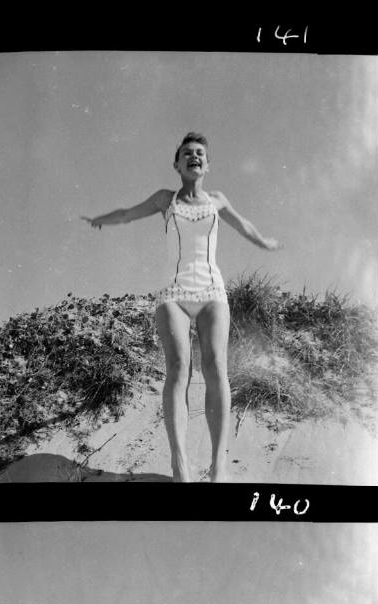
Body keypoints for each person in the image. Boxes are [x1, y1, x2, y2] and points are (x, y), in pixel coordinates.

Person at [82, 132, 282, 482]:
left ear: (208, 163)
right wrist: (100, 218)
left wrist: (263, 241)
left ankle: (219, 465)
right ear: (176, 164)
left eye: (200, 153)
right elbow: (129, 214)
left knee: (216, 366)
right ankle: (180, 466)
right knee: (178, 368)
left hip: (211, 291)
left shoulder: (218, 200)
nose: (194, 156)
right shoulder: (165, 199)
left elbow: (244, 224)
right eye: (187, 153)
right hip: (174, 293)